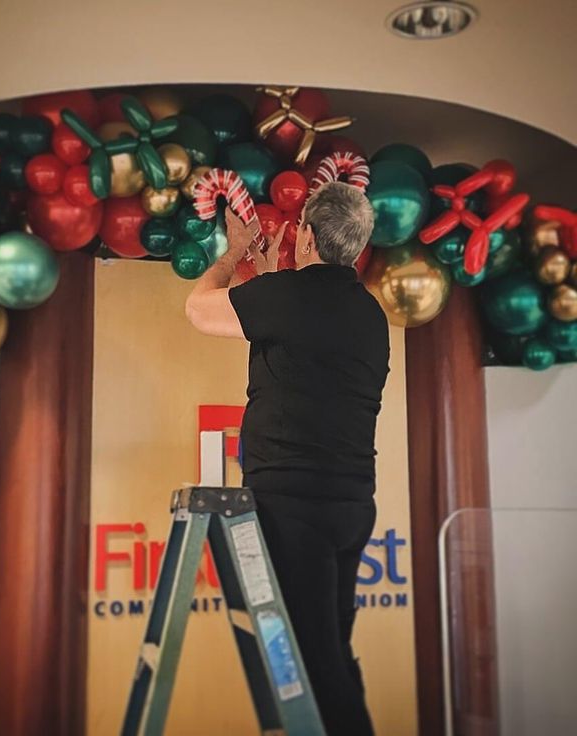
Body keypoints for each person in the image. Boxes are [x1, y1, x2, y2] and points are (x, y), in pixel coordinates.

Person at [185, 181, 389, 735]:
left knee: (314, 664)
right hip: (350, 506)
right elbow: (301, 344)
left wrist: (233, 250)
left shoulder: (293, 298)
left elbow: (199, 310)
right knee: (334, 655)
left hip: (295, 508)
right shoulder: (369, 314)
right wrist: (275, 278)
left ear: (306, 235)